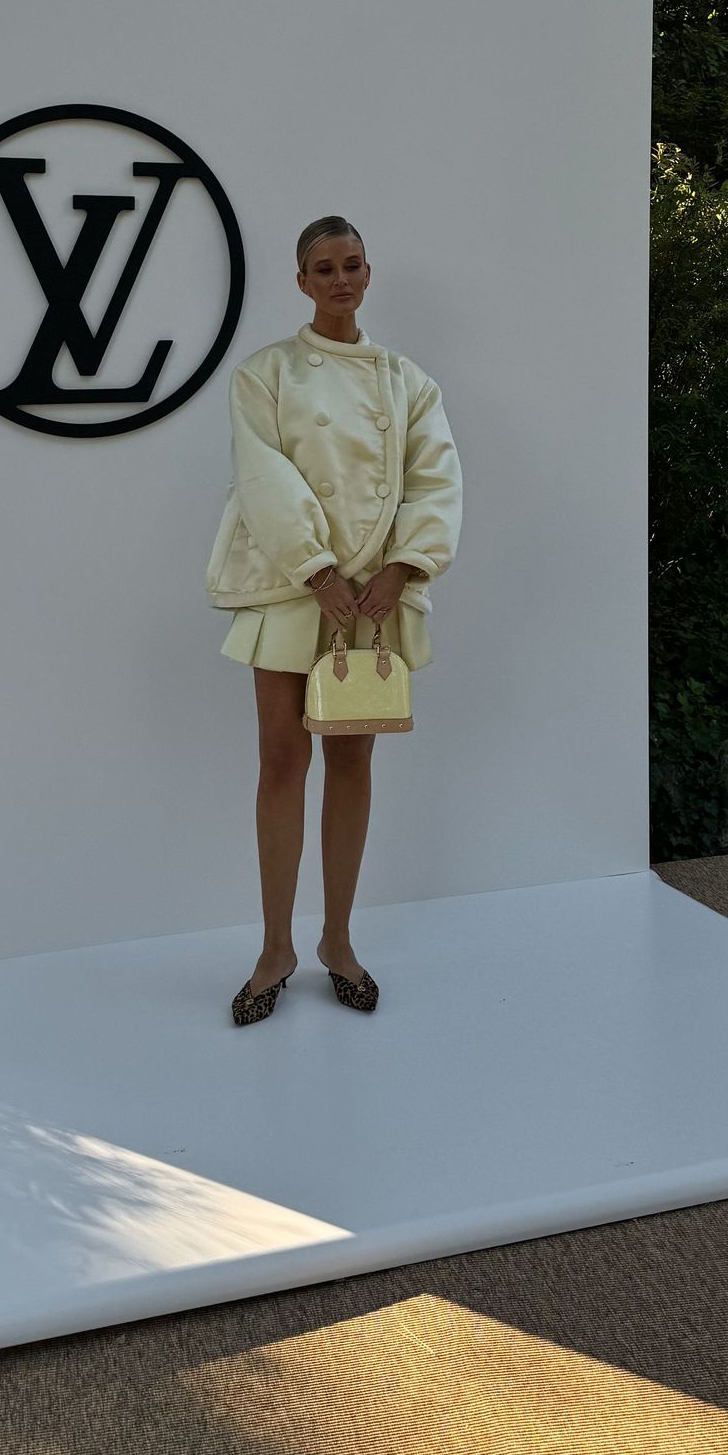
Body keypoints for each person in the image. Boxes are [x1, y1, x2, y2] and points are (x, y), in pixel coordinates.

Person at [205, 215, 462, 1026]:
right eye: (324, 268)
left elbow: (435, 477)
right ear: (302, 281)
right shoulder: (265, 374)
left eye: (352, 264)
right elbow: (263, 476)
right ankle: (274, 948)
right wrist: (316, 570)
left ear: (368, 272)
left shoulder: (408, 382)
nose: (340, 279)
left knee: (352, 759)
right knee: (281, 761)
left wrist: (400, 568)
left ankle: (338, 940)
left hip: (372, 596)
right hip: (292, 586)